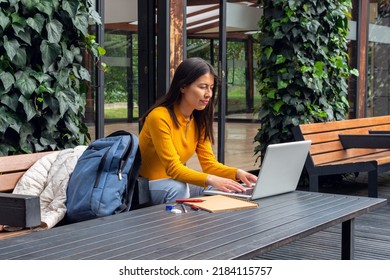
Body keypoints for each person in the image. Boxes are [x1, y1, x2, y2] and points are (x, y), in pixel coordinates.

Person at [139, 57, 258, 205]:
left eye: (211, 87)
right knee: (179, 187)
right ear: (182, 87)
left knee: (225, 188)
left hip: (175, 182)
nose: (208, 94)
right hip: (148, 186)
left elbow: (209, 164)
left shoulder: (198, 120)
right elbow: (174, 169)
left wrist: (237, 173)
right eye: (202, 87)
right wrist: (211, 179)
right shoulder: (159, 117)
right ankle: (176, 227)